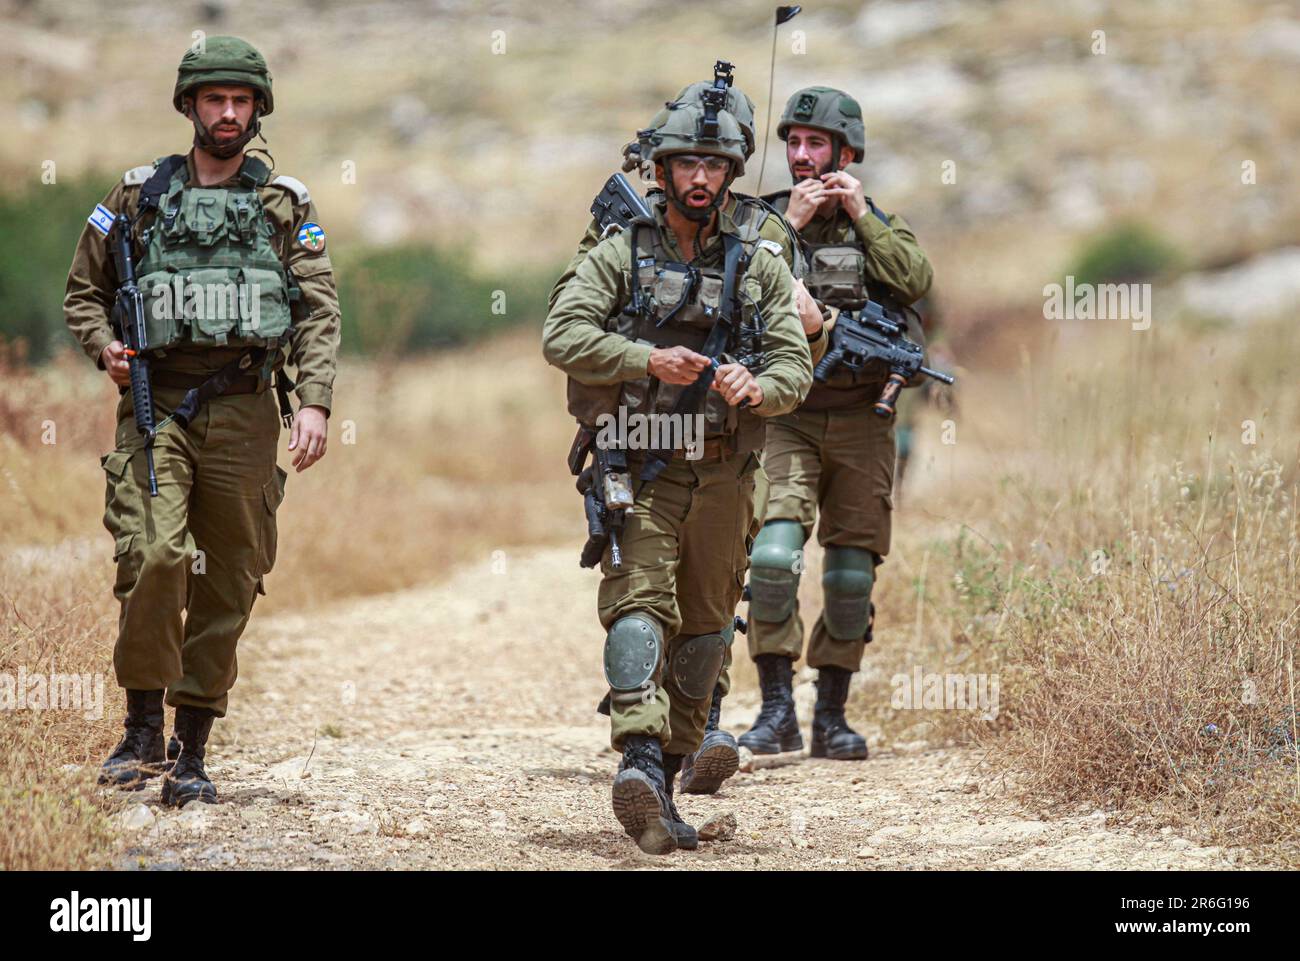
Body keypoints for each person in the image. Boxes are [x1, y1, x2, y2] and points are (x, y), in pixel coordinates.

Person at [63, 36, 340, 807]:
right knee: (154, 554)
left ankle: (193, 745)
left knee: (230, 578)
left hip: (246, 409)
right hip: (156, 405)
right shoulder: (136, 196)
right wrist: (104, 347)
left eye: (240, 101)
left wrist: (312, 399)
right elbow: (82, 292)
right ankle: (141, 725)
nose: (227, 113)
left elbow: (317, 311)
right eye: (213, 99)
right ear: (190, 105)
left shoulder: (283, 203)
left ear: (257, 109)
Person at [543, 84, 818, 854]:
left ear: (731, 174)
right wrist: (644, 356)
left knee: (703, 630)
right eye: (686, 163)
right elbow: (561, 333)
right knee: (639, 604)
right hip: (643, 459)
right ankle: (635, 750)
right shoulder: (620, 253)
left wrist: (757, 385)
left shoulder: (758, 263)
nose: (700, 177)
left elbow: (796, 366)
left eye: (714, 164)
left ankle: (665, 776)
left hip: (728, 472)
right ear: (661, 170)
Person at [742, 86, 933, 761]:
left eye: (814, 143)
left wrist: (860, 213)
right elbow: (738, 279)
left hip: (862, 420)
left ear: (846, 152)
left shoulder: (878, 224)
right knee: (771, 558)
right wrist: (785, 225)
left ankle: (831, 714)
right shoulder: (763, 219)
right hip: (786, 417)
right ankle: (774, 710)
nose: (800, 155)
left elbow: (914, 280)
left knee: (851, 573)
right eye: (792, 142)